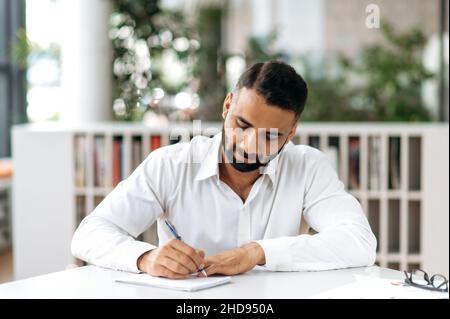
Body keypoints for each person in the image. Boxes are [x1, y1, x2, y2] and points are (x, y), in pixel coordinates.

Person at [71, 61, 377, 279]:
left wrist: (257, 253)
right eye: (242, 125)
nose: (249, 145)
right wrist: (145, 258)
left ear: (292, 131)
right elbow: (89, 234)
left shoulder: (308, 167)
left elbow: (360, 243)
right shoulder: (171, 165)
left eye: (271, 136)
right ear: (227, 105)